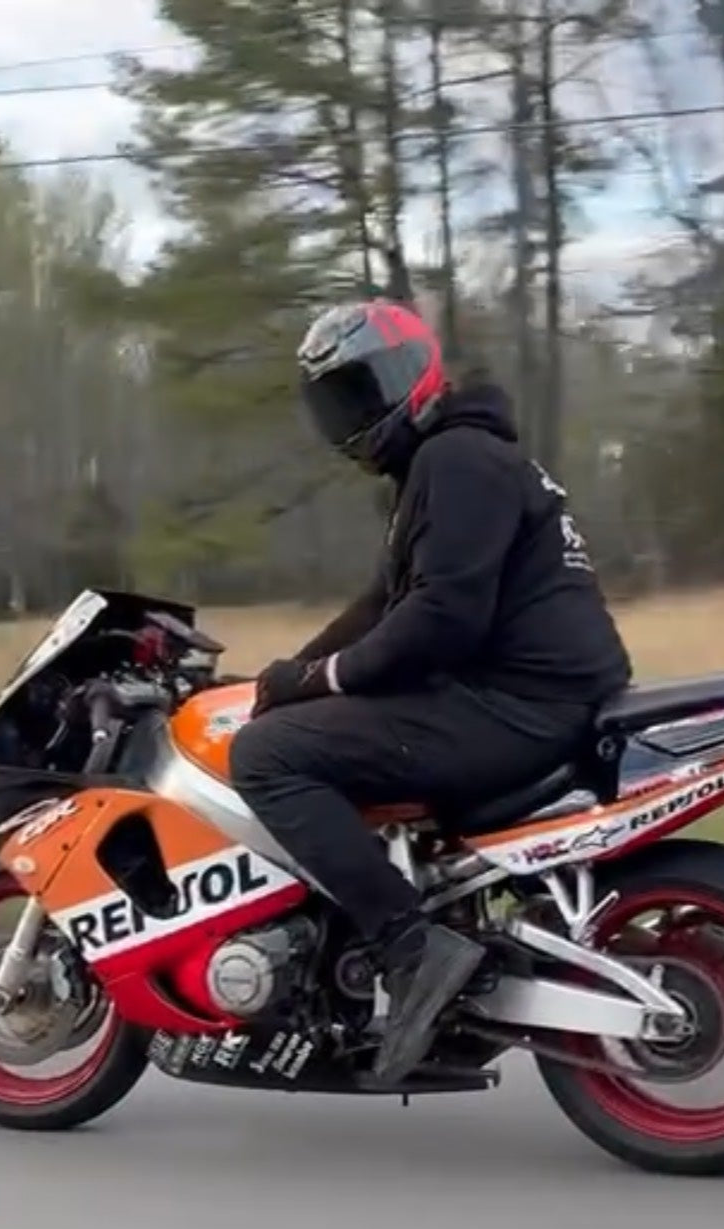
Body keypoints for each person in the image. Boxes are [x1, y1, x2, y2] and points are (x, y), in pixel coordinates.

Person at [229, 298, 632, 1087]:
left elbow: (439, 621)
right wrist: (283, 678)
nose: (352, 417)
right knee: (285, 723)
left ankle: (412, 950)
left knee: (267, 757)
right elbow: (382, 605)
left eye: (362, 390)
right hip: (533, 701)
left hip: (515, 709)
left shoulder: (456, 463)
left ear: (411, 377)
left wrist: (310, 687)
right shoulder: (452, 463)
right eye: (336, 400)